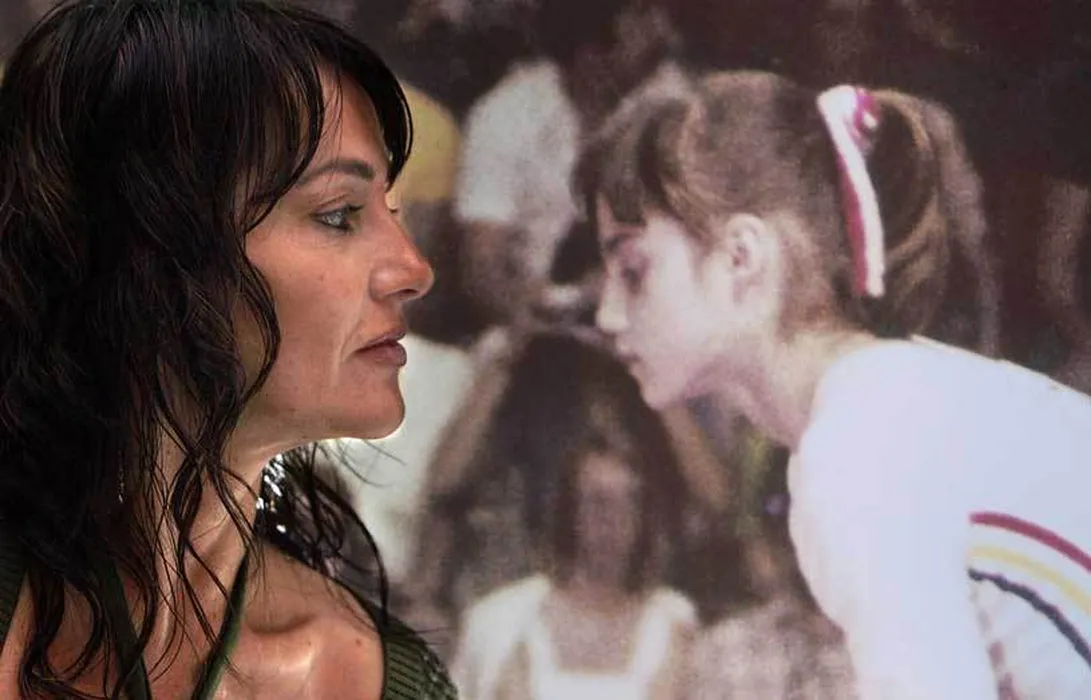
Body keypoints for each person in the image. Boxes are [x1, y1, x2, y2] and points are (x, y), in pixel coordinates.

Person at [576, 70, 1091, 699]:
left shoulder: (856, 449)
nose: (608, 314)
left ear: (741, 257)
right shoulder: (884, 401)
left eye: (634, 270)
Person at [0, 0, 456, 697]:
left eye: (391, 213)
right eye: (338, 214)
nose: (413, 269)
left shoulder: (379, 677)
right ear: (147, 255)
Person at [449, 354, 697, 699]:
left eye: (630, 502)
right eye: (598, 501)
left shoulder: (674, 622)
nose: (613, 519)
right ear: (569, 510)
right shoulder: (498, 620)